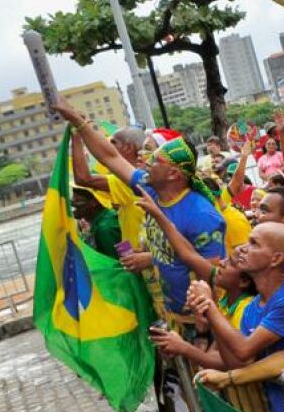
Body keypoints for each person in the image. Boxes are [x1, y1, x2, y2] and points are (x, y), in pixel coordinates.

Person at [51, 97, 225, 319]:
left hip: (200, 317)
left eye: (156, 160)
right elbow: (110, 157)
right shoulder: (149, 190)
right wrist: (78, 123)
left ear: (173, 174)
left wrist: (204, 325)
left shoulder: (201, 215)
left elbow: (213, 274)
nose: (148, 162)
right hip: (170, 312)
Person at [165, 222, 284, 412]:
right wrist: (208, 312)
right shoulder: (252, 307)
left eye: (254, 243)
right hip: (277, 411)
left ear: (276, 259)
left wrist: (209, 305)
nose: (242, 248)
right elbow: (236, 361)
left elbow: (244, 349)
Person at [72, 186, 122, 258]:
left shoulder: (106, 229)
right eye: (72, 199)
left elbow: (115, 263)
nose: (72, 204)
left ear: (93, 203)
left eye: (77, 200)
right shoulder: (104, 218)